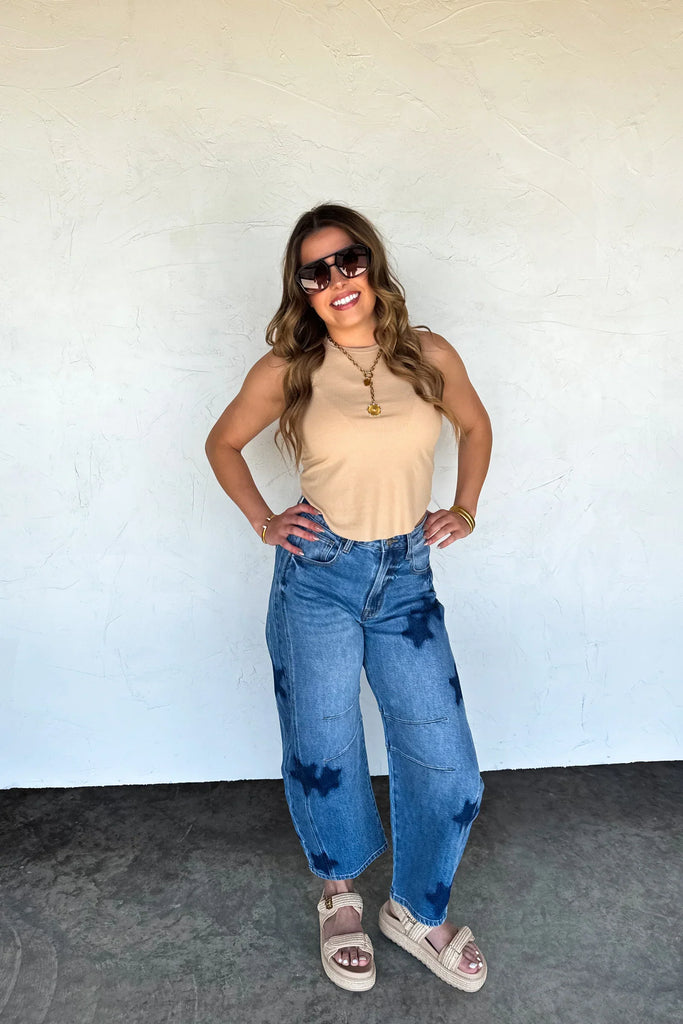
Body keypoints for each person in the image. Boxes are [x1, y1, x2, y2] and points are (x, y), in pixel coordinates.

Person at [205, 203, 493, 993]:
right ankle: (338, 896)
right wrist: (265, 521)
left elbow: (474, 427)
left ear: (372, 264)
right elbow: (221, 443)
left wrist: (463, 508)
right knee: (323, 747)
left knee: (447, 765)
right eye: (315, 270)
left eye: (349, 259)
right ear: (300, 288)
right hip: (318, 578)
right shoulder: (288, 368)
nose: (336, 278)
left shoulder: (427, 353)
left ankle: (417, 909)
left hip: (406, 579)